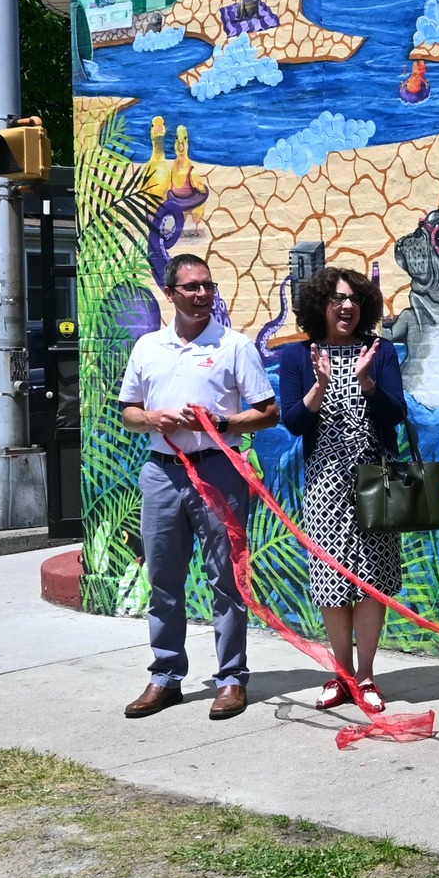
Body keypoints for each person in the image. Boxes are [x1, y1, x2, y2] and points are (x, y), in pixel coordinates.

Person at [117, 255, 279, 721]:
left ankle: (230, 679)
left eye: (208, 285)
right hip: (162, 472)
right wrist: (153, 418)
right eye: (191, 287)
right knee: (163, 580)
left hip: (218, 471)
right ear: (170, 293)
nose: (202, 294)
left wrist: (222, 422)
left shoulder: (234, 345)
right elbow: (128, 411)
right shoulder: (148, 347)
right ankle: (165, 676)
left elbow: (268, 412)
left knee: (226, 579)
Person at [276, 267, 409, 715]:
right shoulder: (299, 356)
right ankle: (342, 674)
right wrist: (321, 384)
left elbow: (394, 415)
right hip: (325, 484)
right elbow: (293, 421)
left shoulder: (381, 350)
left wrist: (368, 381)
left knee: (370, 582)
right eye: (336, 299)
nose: (346, 305)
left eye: (353, 298)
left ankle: (367, 675)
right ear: (320, 306)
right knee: (332, 582)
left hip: (376, 479)